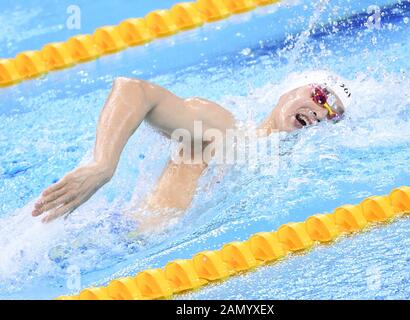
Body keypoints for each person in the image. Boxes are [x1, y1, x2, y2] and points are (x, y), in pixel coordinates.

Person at [32, 71, 349, 224]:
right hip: (121, 238)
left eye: (331, 115)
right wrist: (103, 164)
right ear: (290, 88)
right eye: (320, 96)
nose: (320, 112)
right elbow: (134, 90)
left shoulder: (282, 172)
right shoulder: (223, 128)